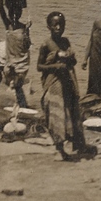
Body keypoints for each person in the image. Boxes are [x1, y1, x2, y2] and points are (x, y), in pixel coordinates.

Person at [36, 12, 87, 161]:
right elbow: (39, 67)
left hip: (67, 80)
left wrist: (71, 59)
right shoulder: (46, 44)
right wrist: (56, 66)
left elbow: (73, 62)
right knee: (56, 112)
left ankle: (72, 141)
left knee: (70, 110)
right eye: (55, 25)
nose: (58, 27)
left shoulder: (66, 41)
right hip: (53, 81)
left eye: (61, 24)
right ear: (48, 27)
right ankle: (60, 147)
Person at [0, 0, 32, 108]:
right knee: (15, 86)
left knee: (17, 86)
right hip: (10, 62)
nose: (14, 15)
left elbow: (27, 46)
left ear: (20, 12)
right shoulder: (8, 25)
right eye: (12, 12)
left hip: (21, 63)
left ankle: (21, 106)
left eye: (17, 12)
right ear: (10, 13)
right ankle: (20, 105)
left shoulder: (24, 28)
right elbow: (0, 8)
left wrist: (28, 32)